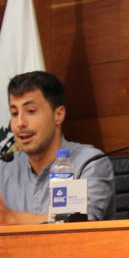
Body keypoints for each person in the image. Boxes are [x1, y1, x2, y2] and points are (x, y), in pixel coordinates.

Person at [0, 71, 115, 225]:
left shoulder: (88, 163)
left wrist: (9, 219)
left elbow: (78, 225)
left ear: (58, 115)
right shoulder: (4, 168)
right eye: (14, 113)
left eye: (31, 111)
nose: (20, 123)